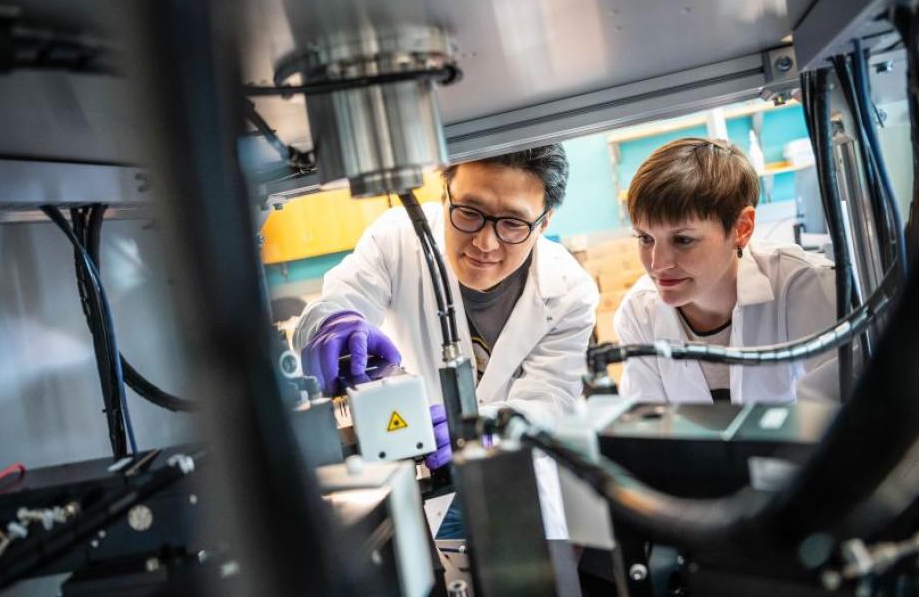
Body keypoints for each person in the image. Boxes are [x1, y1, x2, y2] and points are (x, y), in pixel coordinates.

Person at [293, 143, 598, 537]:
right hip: (411, 475)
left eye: (512, 223)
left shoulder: (570, 292)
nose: (486, 243)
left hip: (518, 485)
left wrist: (488, 431)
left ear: (544, 221)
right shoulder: (398, 237)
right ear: (445, 193)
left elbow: (550, 400)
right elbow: (334, 304)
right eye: (469, 212)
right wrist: (331, 323)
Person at [614, 137, 839, 404]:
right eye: (645, 239)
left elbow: (843, 410)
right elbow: (649, 428)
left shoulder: (803, 286)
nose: (657, 264)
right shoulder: (638, 313)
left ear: (741, 228)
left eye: (683, 240)